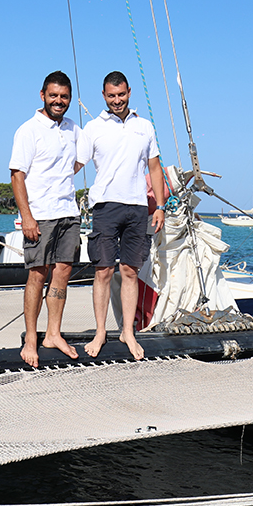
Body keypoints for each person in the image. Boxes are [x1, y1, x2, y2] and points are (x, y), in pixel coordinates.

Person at [76, 71, 166, 360]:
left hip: (137, 206)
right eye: (111, 96)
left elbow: (154, 167)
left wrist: (160, 206)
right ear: (104, 96)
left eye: (121, 94)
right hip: (105, 206)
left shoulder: (144, 126)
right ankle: (101, 331)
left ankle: (128, 331)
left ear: (129, 92)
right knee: (103, 271)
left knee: (130, 271)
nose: (117, 100)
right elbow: (75, 165)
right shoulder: (93, 128)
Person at [9, 71, 84, 368]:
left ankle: (53, 333)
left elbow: (79, 159)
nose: (58, 101)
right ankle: (31, 337)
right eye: (53, 95)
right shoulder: (28, 130)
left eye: (64, 97)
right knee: (37, 275)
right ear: (43, 95)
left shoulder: (73, 128)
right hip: (40, 215)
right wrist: (27, 216)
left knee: (62, 272)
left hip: (68, 213)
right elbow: (17, 175)